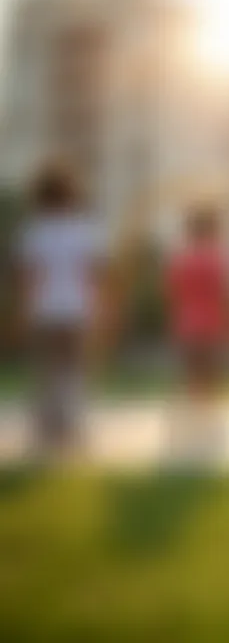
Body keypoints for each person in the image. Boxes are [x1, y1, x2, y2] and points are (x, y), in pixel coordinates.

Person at [15, 160, 107, 459]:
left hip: (45, 309)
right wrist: (97, 308)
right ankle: (73, 425)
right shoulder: (83, 229)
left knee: (46, 369)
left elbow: (31, 277)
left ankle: (49, 427)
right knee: (74, 369)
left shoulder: (33, 231)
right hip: (75, 308)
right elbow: (90, 274)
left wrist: (25, 310)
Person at [166, 206, 229, 456]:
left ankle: (189, 427)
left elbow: (174, 292)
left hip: (187, 323)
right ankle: (209, 428)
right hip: (213, 323)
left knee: (190, 377)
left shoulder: (181, 259)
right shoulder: (219, 257)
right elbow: (225, 293)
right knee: (213, 378)